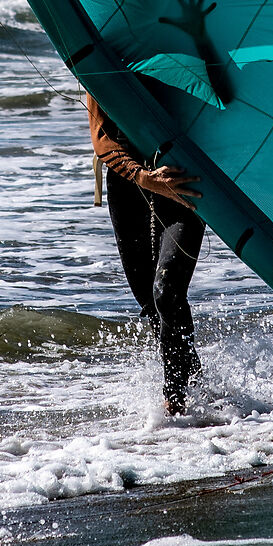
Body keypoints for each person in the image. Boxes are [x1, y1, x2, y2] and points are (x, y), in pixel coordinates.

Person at [88, 94, 207, 413]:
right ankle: (194, 382)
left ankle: (176, 399)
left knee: (167, 293)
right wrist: (144, 177)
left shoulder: (180, 49)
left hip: (183, 179)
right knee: (151, 304)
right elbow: (102, 139)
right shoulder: (103, 54)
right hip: (129, 183)